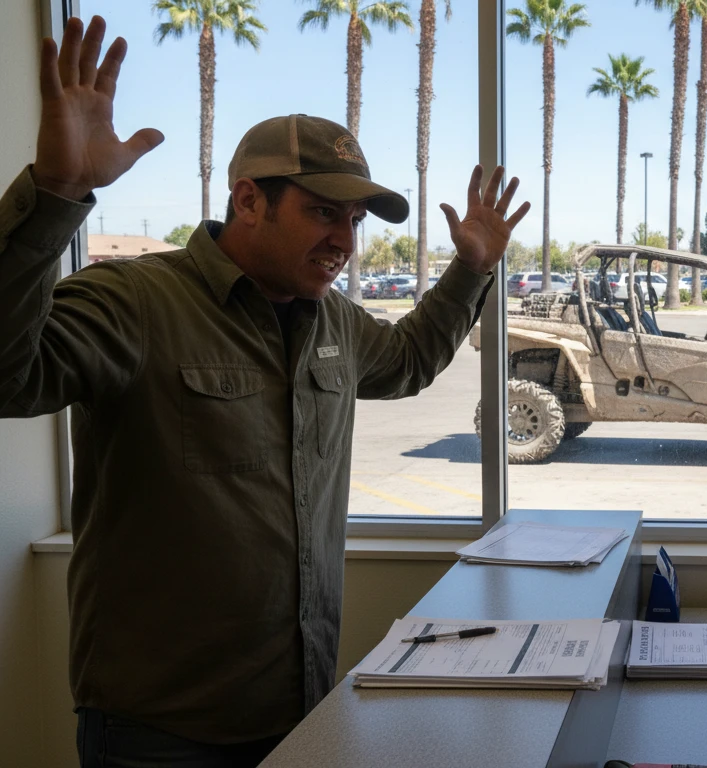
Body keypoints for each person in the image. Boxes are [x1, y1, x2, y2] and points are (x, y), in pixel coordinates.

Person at [0, 17, 530, 768]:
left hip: (302, 710)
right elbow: (7, 376)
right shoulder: (135, 302)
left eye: (352, 219)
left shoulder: (333, 323)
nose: (346, 240)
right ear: (249, 201)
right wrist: (52, 197)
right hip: (160, 731)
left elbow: (409, 360)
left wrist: (470, 269)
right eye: (324, 211)